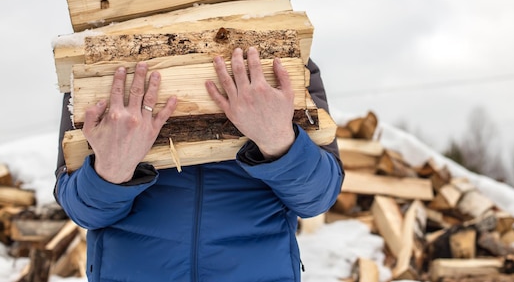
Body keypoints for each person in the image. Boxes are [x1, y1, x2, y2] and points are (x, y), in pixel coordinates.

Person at [54, 46, 344, 282]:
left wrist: (279, 141)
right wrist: (111, 172)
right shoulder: (99, 72)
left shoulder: (279, 60)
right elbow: (82, 210)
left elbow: (316, 198)